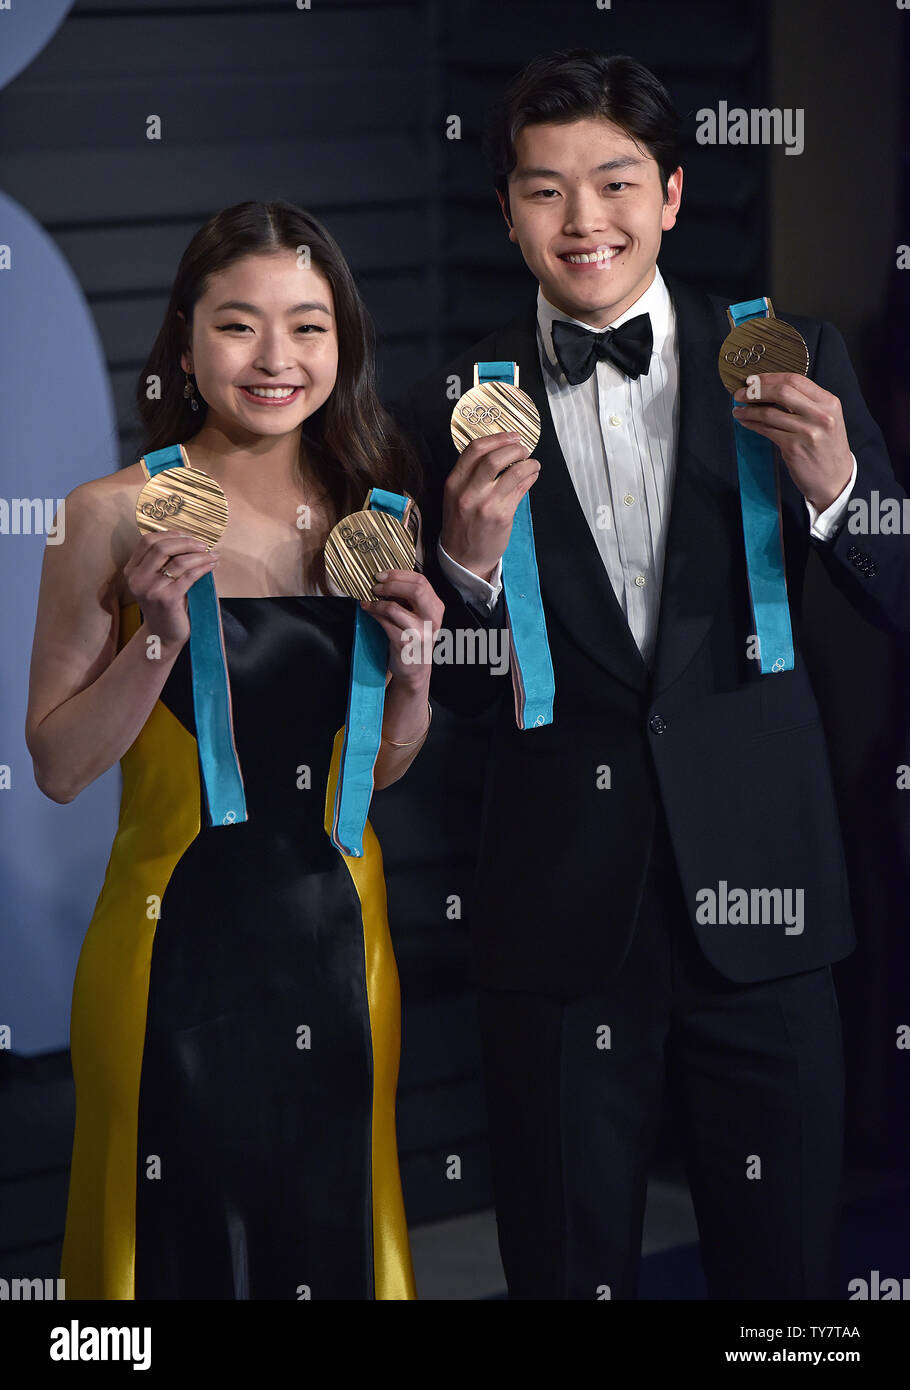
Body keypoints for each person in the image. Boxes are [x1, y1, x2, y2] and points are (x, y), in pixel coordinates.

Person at [389, 50, 910, 1299]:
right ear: (509, 211)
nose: (584, 222)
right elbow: (449, 698)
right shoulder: (454, 400)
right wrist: (460, 572)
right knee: (564, 1275)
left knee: (783, 1286)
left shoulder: (788, 355)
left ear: (671, 196)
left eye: (615, 184)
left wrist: (843, 491)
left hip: (771, 899)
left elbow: (897, 594)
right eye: (545, 191)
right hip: (560, 921)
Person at [26, 200, 442, 1300]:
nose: (276, 358)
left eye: (308, 326)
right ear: (184, 339)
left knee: (334, 1235)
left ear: (341, 341)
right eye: (239, 325)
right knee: (163, 1247)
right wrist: (155, 643)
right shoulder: (109, 516)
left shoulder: (374, 515)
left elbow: (377, 771)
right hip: (170, 951)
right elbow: (62, 767)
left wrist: (412, 678)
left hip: (343, 944)